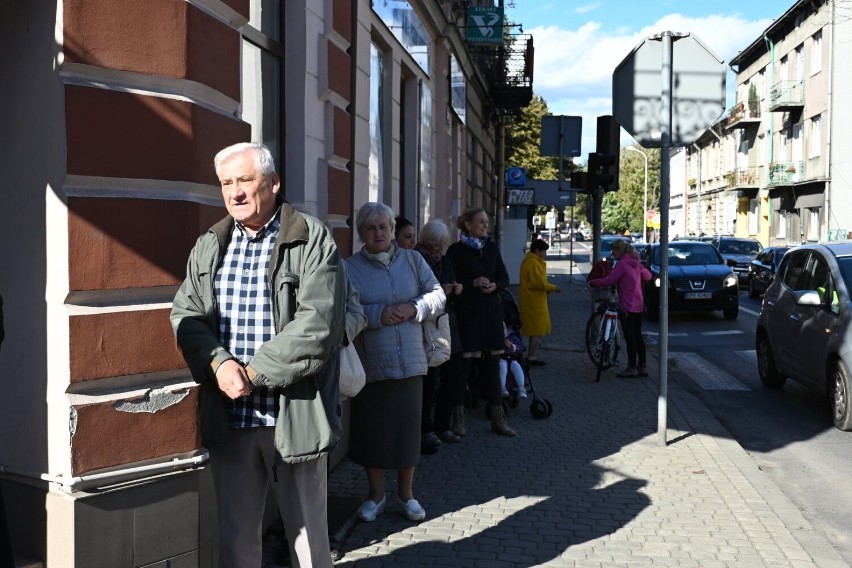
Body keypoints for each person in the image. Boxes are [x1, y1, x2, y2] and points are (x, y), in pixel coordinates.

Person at [170, 142, 345, 568]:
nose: (235, 192)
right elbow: (187, 314)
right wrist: (219, 362)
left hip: (294, 414)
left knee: (308, 543)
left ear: (273, 182)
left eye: (245, 180)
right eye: (226, 183)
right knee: (235, 542)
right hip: (231, 418)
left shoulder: (310, 236)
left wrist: (250, 372)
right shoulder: (211, 244)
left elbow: (319, 324)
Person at [344, 203, 446, 523]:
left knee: (406, 432)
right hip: (371, 361)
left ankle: (406, 494)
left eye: (384, 227)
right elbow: (345, 312)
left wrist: (414, 308)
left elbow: (438, 296)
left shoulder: (413, 260)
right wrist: (378, 315)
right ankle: (375, 495)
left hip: (412, 360)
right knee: (373, 432)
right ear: (361, 233)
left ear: (392, 229)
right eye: (371, 228)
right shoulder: (348, 268)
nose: (379, 233)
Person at [445, 207, 517, 437]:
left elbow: (504, 276)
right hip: (469, 314)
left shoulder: (491, 247)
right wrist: (472, 283)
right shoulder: (456, 251)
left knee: (493, 367)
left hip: (492, 314)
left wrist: (497, 285)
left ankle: (498, 418)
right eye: (481, 222)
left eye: (487, 222)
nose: (486, 226)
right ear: (468, 224)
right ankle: (457, 418)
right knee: (463, 368)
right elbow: (449, 281)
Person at [414, 219, 465, 446]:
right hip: (426, 327)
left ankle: (442, 425)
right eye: (437, 245)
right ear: (427, 241)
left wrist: (456, 288)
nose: (440, 250)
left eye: (443, 245)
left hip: (446, 325)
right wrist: (439, 292)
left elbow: (451, 284)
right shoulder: (417, 259)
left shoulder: (445, 260)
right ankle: (426, 429)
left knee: (453, 376)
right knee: (428, 381)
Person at [587, 239, 652, 378]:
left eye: (614, 250)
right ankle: (643, 366)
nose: (612, 253)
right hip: (639, 304)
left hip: (627, 305)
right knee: (638, 335)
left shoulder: (622, 264)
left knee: (630, 337)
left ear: (620, 250)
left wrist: (594, 282)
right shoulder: (635, 262)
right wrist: (639, 272)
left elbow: (610, 280)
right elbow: (648, 276)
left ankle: (632, 367)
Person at [519, 238, 561, 366]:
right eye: (544, 251)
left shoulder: (531, 262)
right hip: (534, 302)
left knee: (535, 330)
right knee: (536, 331)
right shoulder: (532, 263)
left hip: (533, 300)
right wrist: (554, 288)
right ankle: (532, 357)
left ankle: (531, 356)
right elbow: (539, 283)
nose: (545, 254)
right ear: (537, 251)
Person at [500, 322, 527, 398]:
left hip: (512, 359)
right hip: (501, 359)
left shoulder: (512, 336)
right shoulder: (495, 338)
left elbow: (520, 347)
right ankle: (502, 387)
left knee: (518, 367)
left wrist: (512, 346)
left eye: (503, 328)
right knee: (502, 366)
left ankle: (521, 387)